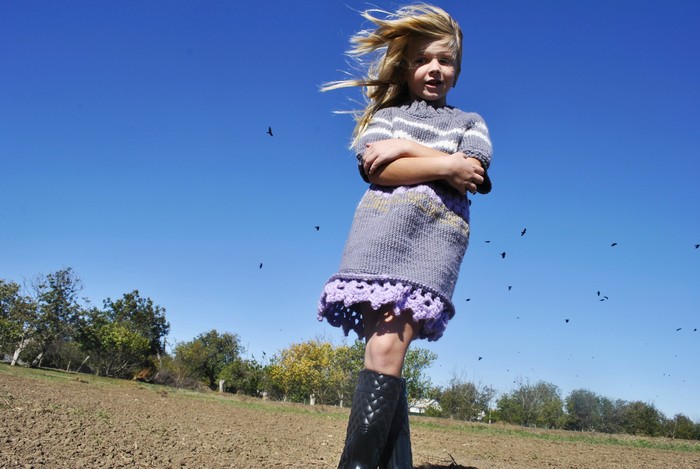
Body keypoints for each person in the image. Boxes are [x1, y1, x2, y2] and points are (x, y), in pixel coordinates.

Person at [317, 4, 493, 468]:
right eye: (422, 60)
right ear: (407, 66)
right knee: (384, 351)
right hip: (377, 238)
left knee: (386, 347)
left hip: (432, 244)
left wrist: (412, 150)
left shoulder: (470, 122)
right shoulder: (387, 117)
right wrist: (441, 162)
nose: (435, 69)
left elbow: (473, 172)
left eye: (445, 60)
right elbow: (378, 168)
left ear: (457, 69)